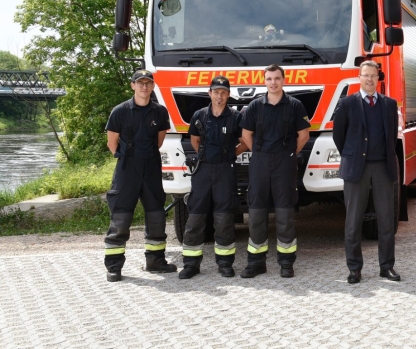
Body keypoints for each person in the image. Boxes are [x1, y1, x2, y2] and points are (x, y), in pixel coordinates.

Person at [332, 61, 402, 284]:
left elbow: (391, 137)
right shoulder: (346, 104)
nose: (369, 79)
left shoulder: (389, 104)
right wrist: (352, 156)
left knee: (386, 221)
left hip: (383, 167)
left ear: (378, 78)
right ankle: (354, 268)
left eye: (373, 76)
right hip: (356, 169)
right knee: (353, 222)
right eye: (365, 75)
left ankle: (386, 266)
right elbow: (339, 137)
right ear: (359, 77)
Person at [239, 64, 310, 279]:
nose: (273, 82)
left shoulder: (296, 106)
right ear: (264, 81)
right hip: (260, 161)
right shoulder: (254, 106)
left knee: (284, 213)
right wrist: (261, 154)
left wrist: (288, 154)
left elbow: (304, 136)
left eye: (277, 78)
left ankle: (286, 262)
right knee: (257, 213)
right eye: (269, 79)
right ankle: (256, 262)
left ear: (283, 80)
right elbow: (245, 135)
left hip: (285, 162)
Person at [103, 69, 174, 282]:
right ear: (133, 85)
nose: (144, 87)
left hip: (151, 165)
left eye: (148, 83)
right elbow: (111, 143)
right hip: (128, 168)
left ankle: (155, 261)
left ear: (152, 86)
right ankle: (114, 267)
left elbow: (160, 141)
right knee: (121, 216)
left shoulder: (160, 112)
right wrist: (129, 156)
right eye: (140, 83)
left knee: (156, 215)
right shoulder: (120, 111)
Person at [178, 76, 247, 279]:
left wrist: (230, 155)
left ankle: (225, 263)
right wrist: (205, 158)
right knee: (196, 216)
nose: (219, 96)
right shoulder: (199, 115)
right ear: (210, 94)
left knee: (224, 217)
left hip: (225, 170)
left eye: (223, 92)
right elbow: (194, 139)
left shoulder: (235, 117)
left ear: (228, 95)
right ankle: (191, 264)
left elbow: (245, 140)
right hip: (203, 170)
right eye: (216, 92)